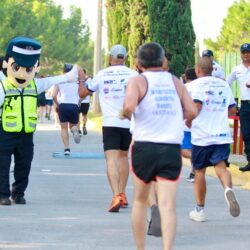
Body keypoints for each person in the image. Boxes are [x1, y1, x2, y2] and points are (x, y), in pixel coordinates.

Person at [121, 42, 197, 250]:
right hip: (170, 148)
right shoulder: (175, 82)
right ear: (164, 62)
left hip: (144, 147)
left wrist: (126, 114)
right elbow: (192, 111)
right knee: (168, 205)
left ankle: (140, 248)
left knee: (139, 200)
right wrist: (175, 118)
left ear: (138, 63)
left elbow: (129, 107)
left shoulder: (138, 81)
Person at [0, 36, 78, 206]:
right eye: (17, 67)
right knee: (2, 165)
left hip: (26, 133)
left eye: (29, 69)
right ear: (7, 65)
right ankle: (3, 195)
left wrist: (68, 77)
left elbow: (50, 81)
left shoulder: (34, 84)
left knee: (24, 165)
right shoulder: (2, 86)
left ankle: (18, 193)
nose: (23, 74)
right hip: (4, 132)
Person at [79, 44, 138, 212]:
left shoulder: (102, 74)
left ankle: (116, 195)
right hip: (128, 122)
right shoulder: (133, 75)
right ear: (125, 58)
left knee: (111, 159)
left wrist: (82, 79)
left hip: (110, 122)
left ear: (110, 58)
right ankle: (124, 194)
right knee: (123, 158)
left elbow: (83, 94)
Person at [187, 56, 240, 222]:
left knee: (200, 171)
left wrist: (188, 120)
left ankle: (199, 210)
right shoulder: (224, 84)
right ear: (212, 70)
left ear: (198, 70)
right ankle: (227, 190)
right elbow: (232, 110)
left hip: (202, 136)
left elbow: (197, 106)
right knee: (221, 167)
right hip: (222, 135)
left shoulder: (195, 85)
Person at [227, 43, 250, 172]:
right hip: (245, 105)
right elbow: (226, 83)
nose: (246, 54)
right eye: (244, 52)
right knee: (246, 134)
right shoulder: (237, 69)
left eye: (248, 52)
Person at [52, 63, 81, 156]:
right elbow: (81, 94)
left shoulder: (60, 80)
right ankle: (75, 130)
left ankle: (67, 149)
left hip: (63, 105)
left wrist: (57, 104)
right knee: (72, 126)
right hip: (74, 105)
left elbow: (53, 95)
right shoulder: (76, 80)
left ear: (63, 71)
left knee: (63, 129)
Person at [182, 68, 197, 182]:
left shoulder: (185, 87)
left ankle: (197, 160)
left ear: (186, 77)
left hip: (185, 123)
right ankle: (193, 173)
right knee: (194, 148)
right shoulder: (200, 86)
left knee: (182, 149)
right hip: (198, 123)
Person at [79, 68, 91, 135]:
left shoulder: (89, 80)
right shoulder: (77, 80)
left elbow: (91, 90)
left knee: (84, 115)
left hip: (84, 101)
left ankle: (83, 126)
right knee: (83, 115)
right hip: (80, 101)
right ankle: (80, 127)